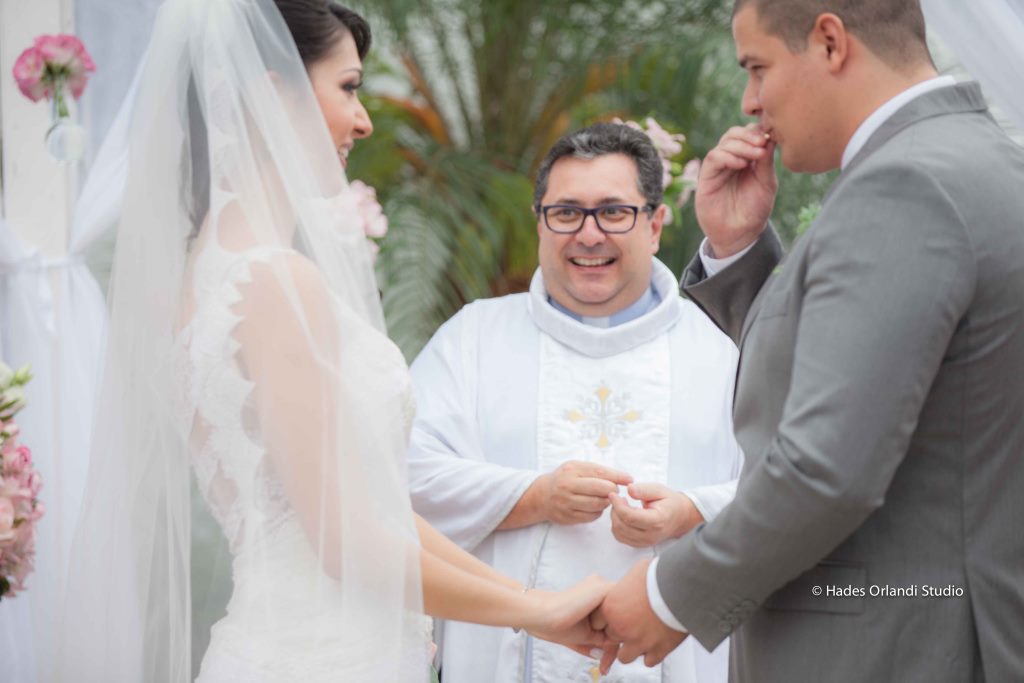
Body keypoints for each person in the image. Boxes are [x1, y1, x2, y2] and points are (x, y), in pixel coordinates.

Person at [54, 1, 611, 681]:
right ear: (270, 94)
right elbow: (348, 540)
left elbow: (375, 510)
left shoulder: (207, 274)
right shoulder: (274, 282)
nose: (364, 119)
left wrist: (536, 604)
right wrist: (534, 611)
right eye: (348, 88)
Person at [593, 0, 1024, 680]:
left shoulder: (905, 185)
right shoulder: (974, 156)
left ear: (829, 41)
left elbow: (826, 468)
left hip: (894, 648)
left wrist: (667, 595)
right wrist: (739, 250)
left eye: (757, 67)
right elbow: (874, 370)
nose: (750, 101)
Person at [407, 122, 743, 682]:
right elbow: (397, 479)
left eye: (613, 212)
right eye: (566, 213)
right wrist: (535, 496)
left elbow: (780, 492)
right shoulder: (472, 339)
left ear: (655, 225)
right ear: (539, 222)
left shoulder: (719, 351)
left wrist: (689, 510)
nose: (589, 235)